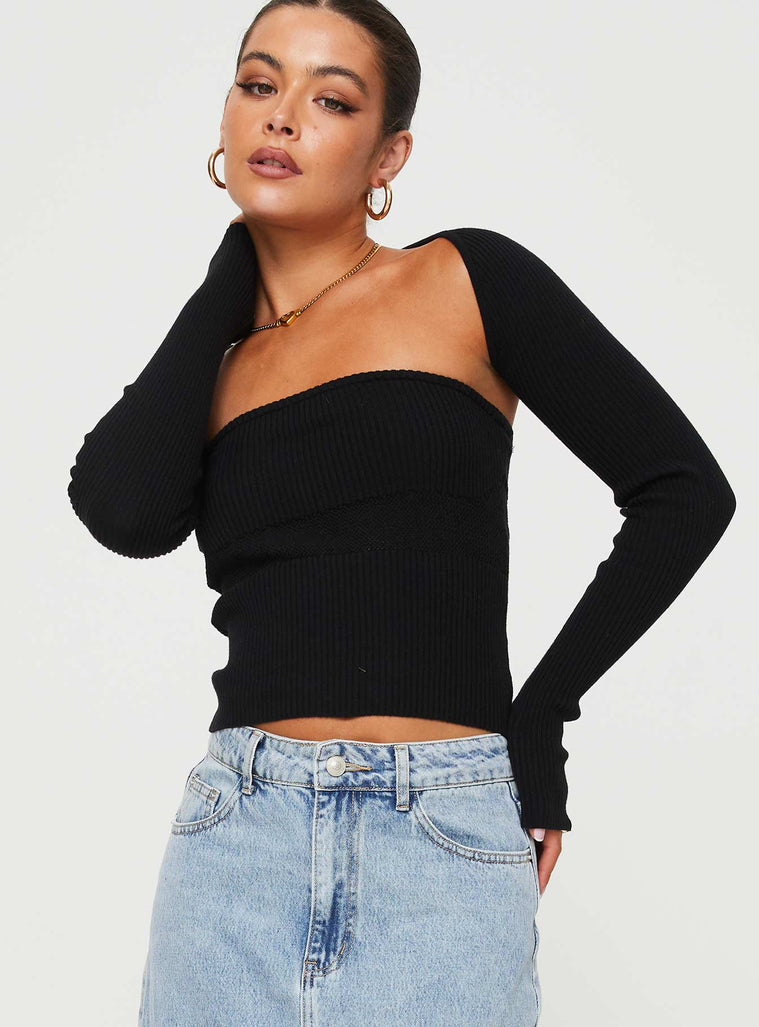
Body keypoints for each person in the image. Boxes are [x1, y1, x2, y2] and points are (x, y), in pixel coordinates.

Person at [66, 2, 736, 1024]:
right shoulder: (220, 362)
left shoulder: (462, 280)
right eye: (259, 84)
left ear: (389, 156)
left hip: (442, 838)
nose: (281, 116)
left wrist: (539, 718)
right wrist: (232, 272)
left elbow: (683, 489)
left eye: (331, 100)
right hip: (236, 839)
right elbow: (121, 510)